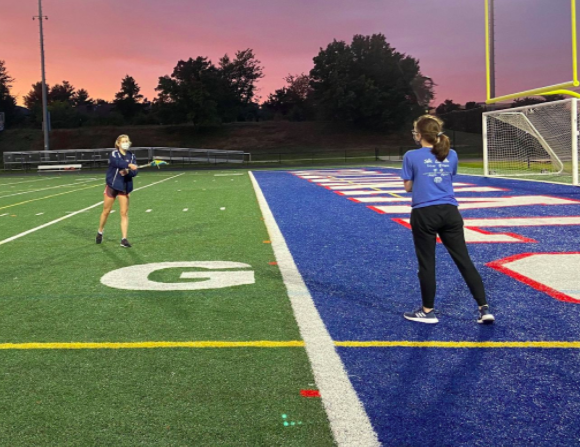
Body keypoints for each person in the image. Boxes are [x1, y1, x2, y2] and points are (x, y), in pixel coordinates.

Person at [401, 115, 494, 324]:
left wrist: (421, 178)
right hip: (450, 212)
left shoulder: (411, 155)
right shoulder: (451, 154)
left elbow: (408, 187)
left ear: (419, 134)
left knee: (427, 263)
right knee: (464, 260)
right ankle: (484, 308)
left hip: (425, 213)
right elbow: (446, 178)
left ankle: (427, 311)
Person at [96, 134, 138, 247]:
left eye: (127, 141)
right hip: (112, 186)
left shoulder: (132, 156)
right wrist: (128, 165)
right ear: (118, 143)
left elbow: (135, 172)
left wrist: (129, 171)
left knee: (124, 213)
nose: (126, 143)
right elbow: (117, 163)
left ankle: (124, 239)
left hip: (124, 187)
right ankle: (100, 231)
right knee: (106, 211)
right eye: (123, 141)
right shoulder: (114, 154)